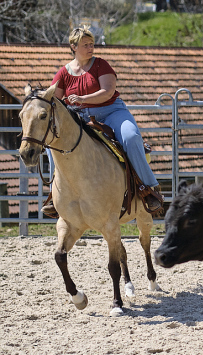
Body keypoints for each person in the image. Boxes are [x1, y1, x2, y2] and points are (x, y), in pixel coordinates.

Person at [42, 26, 162, 216]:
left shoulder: (101, 65)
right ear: (73, 47)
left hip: (111, 112)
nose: (91, 48)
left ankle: (149, 190)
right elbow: (54, 100)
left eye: (92, 44)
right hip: (79, 118)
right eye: (86, 45)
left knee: (131, 137)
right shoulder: (63, 73)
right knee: (52, 144)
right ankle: (55, 194)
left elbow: (107, 92)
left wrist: (82, 99)